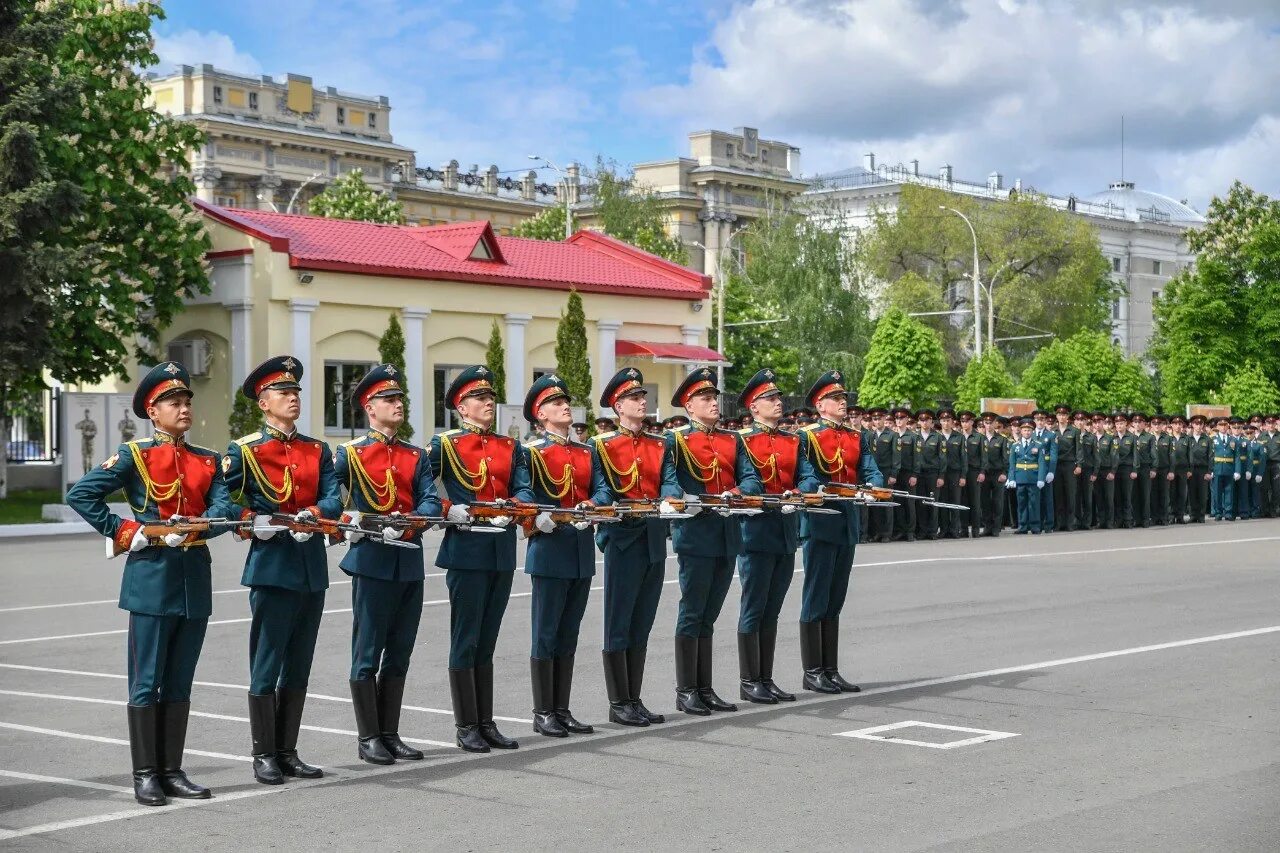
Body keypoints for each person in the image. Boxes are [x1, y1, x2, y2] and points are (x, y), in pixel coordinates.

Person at [67, 362, 234, 806]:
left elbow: (222, 509)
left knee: (180, 682)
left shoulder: (207, 459)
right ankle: (145, 774)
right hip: (151, 577)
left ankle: (172, 771)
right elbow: (81, 494)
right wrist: (127, 531)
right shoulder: (135, 455)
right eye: (173, 403)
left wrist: (199, 528)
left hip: (193, 579)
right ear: (153, 412)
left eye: (186, 402)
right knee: (145, 683)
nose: (183, 409)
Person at [223, 356, 341, 784]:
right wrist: (251, 521)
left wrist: (314, 512)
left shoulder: (316, 449)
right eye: (283, 393)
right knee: (267, 661)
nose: (293, 399)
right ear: (263, 402)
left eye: (296, 392)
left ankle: (288, 750)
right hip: (272, 567)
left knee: (299, 663)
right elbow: (222, 499)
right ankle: (263, 753)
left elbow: (333, 497)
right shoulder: (246, 450)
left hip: (310, 567)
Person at [333, 365, 441, 764]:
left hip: (408, 559)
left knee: (399, 650)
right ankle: (368, 737)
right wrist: (349, 521)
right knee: (367, 650)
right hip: (372, 559)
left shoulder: (415, 455)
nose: (398, 405)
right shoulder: (351, 454)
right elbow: (329, 495)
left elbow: (429, 499)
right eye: (389, 400)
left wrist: (416, 518)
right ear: (369, 407)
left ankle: (389, 732)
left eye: (400, 399)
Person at [430, 365, 532, 752]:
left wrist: (516, 505)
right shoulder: (446, 445)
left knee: (487, 640)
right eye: (479, 398)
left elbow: (522, 485)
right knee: (466, 637)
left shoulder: (509, 445)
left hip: (500, 549)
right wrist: (447, 508)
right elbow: (420, 487)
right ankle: (466, 725)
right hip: (467, 548)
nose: (488, 403)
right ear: (461, 407)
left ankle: (485, 721)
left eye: (490, 397)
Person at [589, 368, 682, 727]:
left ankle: (634, 697)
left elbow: (669, 481)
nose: (642, 402)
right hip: (624, 539)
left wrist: (669, 499)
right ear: (617, 405)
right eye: (633, 398)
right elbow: (602, 489)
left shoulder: (660, 444)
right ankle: (618, 702)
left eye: (643, 397)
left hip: (653, 539)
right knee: (619, 620)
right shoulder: (603, 445)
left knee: (642, 621)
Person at [666, 367, 761, 715]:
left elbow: (752, 480)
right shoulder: (677, 440)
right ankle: (686, 689)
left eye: (714, 398)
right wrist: (684, 498)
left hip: (726, 535)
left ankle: (704, 688)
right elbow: (670, 481)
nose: (713, 404)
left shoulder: (732, 440)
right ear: (689, 406)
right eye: (705, 399)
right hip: (695, 534)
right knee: (692, 612)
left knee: (709, 614)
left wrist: (735, 492)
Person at [734, 368, 819, 703]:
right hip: (756, 532)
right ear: (754, 407)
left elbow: (809, 476)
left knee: (773, 608)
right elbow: (747, 479)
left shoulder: (792, 440)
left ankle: (765, 678)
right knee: (754, 607)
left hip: (785, 531)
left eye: (778, 397)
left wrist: (799, 491)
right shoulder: (742, 440)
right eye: (770, 399)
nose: (778, 402)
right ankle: (748, 679)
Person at [797, 371, 884, 693]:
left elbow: (870, 468)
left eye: (844, 398)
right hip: (821, 522)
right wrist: (815, 487)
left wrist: (874, 486)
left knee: (835, 599)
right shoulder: (807, 437)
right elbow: (803, 473)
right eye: (836, 399)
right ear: (821, 405)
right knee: (816, 596)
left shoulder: (855, 436)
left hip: (846, 522)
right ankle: (812, 670)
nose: (843, 403)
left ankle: (830, 669)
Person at [520, 375, 597, 738]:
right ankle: (543, 711)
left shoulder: (585, 451)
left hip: (580, 550)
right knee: (546, 632)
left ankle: (562, 708)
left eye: (565, 401)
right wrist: (538, 518)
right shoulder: (532, 453)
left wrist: (593, 505)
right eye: (555, 403)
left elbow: (602, 489)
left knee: (569, 633)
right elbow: (523, 495)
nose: (565, 406)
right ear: (540, 416)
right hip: (550, 550)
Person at [1007, 417, 1047, 534]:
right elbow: (1012, 464)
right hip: (1020, 478)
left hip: (1033, 478)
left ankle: (1035, 526)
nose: (1027, 432)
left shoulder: (1038, 445)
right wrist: (1011, 478)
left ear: (1032, 431)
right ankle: (1022, 526)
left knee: (1034, 503)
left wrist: (1041, 479)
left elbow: (1041, 463)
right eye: (1024, 430)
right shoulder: (1015, 445)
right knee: (1022, 504)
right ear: (1021, 430)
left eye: (1029, 430)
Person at [867, 408, 899, 543]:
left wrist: (894, 473)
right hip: (874, 473)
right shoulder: (870, 435)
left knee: (887, 502)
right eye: (874, 419)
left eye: (879, 418)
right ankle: (877, 532)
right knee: (875, 503)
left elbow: (896, 456)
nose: (877, 421)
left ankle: (887, 533)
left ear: (884, 419)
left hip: (887, 472)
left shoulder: (892, 435)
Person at [936, 409, 967, 539]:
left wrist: (963, 476)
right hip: (941, 474)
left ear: (952, 421)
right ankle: (943, 529)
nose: (946, 423)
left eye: (948, 420)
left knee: (955, 502)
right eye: (943, 420)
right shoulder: (937, 436)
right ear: (940, 422)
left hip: (955, 473)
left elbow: (964, 457)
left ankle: (954, 529)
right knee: (942, 502)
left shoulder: (959, 437)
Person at [980, 412, 1009, 536]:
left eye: (991, 423)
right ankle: (987, 527)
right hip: (984, 474)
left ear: (995, 423)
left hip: (997, 474)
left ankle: (996, 527)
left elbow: (1006, 458)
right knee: (985, 501)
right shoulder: (980, 438)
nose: (988, 425)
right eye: (986, 423)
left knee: (997, 501)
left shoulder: (1002, 439)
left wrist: (1004, 473)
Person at [891, 408, 919, 541]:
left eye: (901, 418)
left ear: (907, 419)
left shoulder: (913, 436)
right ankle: (901, 529)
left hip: (908, 473)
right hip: (896, 473)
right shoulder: (893, 435)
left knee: (909, 502)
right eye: (897, 418)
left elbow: (917, 457)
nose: (898, 421)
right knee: (898, 501)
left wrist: (914, 474)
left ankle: (910, 531)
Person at [1052, 405, 1080, 532]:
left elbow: (1079, 450)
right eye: (1059, 415)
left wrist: (1079, 465)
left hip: (1069, 465)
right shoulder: (1053, 431)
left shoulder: (1074, 431)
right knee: (1058, 494)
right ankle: (1059, 523)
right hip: (1057, 465)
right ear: (1057, 416)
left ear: (1068, 416)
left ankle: (1070, 523)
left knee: (1070, 494)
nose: (1062, 417)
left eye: (1064, 415)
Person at [915, 410, 943, 540]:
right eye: (922, 420)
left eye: (927, 420)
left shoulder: (938, 437)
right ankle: (922, 530)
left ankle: (932, 531)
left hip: (933, 473)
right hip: (919, 473)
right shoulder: (915, 436)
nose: (924, 422)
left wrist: (941, 476)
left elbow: (943, 457)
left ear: (932, 421)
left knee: (932, 502)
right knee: (921, 503)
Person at [959, 411, 984, 537]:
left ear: (972, 422)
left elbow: (983, 457)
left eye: (967, 421)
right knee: (963, 500)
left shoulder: (979, 437)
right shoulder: (958, 436)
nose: (964, 424)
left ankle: (975, 529)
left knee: (975, 501)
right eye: (962, 421)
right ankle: (963, 529)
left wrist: (982, 472)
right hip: (961, 472)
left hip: (974, 471)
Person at [1032, 410, 1058, 532]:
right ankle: (1037, 523)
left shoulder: (1051, 435)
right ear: (1034, 421)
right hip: (1034, 470)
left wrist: (1051, 471)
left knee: (1047, 498)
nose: (1040, 422)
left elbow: (1053, 454)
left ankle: (1048, 524)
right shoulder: (1030, 434)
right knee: (1036, 498)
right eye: (1038, 419)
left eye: (1042, 419)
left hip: (1047, 468)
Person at [1210, 416, 1240, 521]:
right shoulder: (1212, 439)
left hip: (1229, 469)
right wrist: (1211, 470)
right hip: (1217, 469)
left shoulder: (1233, 440)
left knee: (1229, 492)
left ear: (1228, 426)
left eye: (1225, 425)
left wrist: (1237, 471)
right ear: (1217, 426)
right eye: (1221, 425)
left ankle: (1228, 512)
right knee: (1217, 493)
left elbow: (1237, 456)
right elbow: (1210, 456)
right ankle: (1218, 512)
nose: (1223, 427)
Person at [1114, 414, 1138, 528]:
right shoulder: (1112, 437)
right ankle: (1119, 520)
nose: (1119, 425)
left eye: (1121, 423)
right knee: (1117, 496)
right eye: (1117, 424)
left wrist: (1134, 469)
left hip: (1127, 469)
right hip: (1115, 469)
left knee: (1127, 496)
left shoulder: (1132, 437)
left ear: (1126, 424)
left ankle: (1128, 520)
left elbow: (1135, 455)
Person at [1132, 413, 1156, 527]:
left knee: (1145, 495)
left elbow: (1154, 455)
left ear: (1144, 424)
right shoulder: (1130, 436)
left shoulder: (1149, 437)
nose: (1137, 424)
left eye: (1139, 422)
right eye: (1135, 422)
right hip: (1132, 469)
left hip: (1145, 468)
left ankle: (1146, 519)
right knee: (1134, 495)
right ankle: (1137, 519)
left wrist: (1153, 468)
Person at [1075, 411, 1097, 530]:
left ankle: (1087, 522)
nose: (1080, 422)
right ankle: (1077, 520)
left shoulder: (1091, 437)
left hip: (1088, 469)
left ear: (1085, 422)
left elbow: (1096, 456)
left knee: (1087, 497)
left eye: (1082, 420)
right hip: (1074, 470)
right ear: (1074, 421)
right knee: (1075, 496)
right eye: (1078, 420)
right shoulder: (1072, 434)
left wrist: (1095, 472)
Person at [1152, 414, 1175, 525]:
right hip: (1152, 470)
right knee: (1153, 494)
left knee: (1164, 495)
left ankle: (1164, 517)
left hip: (1164, 470)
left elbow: (1171, 455)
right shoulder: (1148, 437)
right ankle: (1155, 518)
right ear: (1151, 425)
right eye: (1154, 424)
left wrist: (1171, 470)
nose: (1157, 426)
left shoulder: (1168, 438)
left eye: (1159, 424)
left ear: (1162, 425)